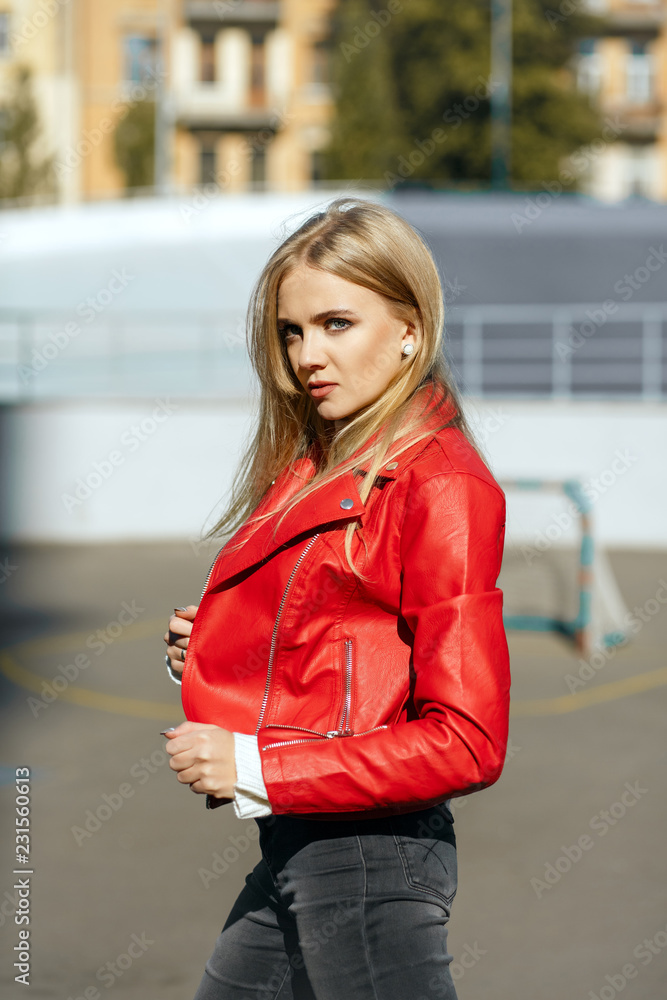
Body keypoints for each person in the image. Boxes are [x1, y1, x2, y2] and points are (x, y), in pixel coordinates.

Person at [162, 197, 511, 1000]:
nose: (306, 355)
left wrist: (254, 765)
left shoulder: (442, 486)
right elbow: (339, 648)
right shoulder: (321, 465)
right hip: (307, 843)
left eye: (336, 324)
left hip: (367, 854)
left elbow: (466, 739)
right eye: (291, 331)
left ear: (410, 330)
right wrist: (218, 645)